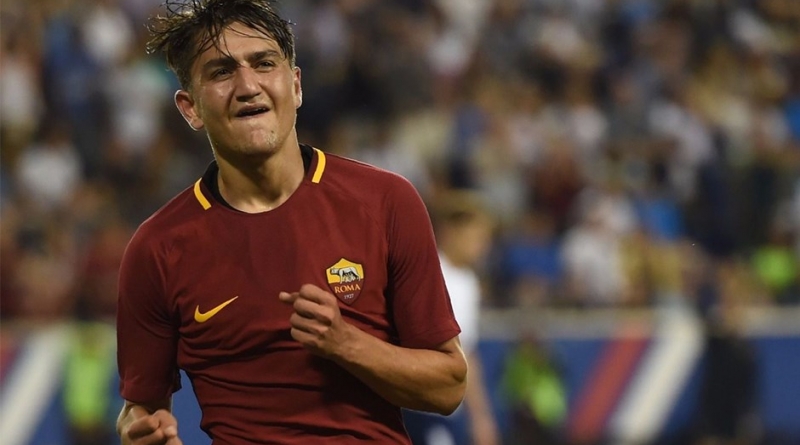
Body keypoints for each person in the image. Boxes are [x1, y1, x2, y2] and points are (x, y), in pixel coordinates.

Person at [114, 1, 468, 444]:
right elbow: (140, 408)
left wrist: (346, 343)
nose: (248, 86)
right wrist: (141, 433)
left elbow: (449, 387)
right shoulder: (158, 247)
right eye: (222, 72)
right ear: (191, 108)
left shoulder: (385, 202)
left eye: (264, 63)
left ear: (296, 85)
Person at [404, 190, 500, 445]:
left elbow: (466, 353)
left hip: (442, 406)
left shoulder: (467, 282)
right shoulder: (430, 274)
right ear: (450, 232)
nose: (482, 247)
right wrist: (481, 417)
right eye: (476, 238)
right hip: (418, 404)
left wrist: (479, 416)